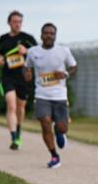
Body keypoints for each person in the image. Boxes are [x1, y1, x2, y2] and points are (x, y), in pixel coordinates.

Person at [23, 23, 77, 169]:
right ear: (41, 35)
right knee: (45, 122)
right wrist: (26, 73)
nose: (49, 36)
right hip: (41, 95)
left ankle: (60, 133)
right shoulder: (33, 52)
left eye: (52, 33)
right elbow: (27, 67)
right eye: (46, 33)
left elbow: (73, 67)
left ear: (55, 36)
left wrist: (65, 74)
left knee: (61, 127)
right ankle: (54, 155)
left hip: (59, 95)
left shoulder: (63, 51)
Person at [0, 11, 37, 150]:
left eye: (19, 21)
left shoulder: (27, 38)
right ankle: (13, 138)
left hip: (24, 77)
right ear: (9, 23)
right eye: (15, 21)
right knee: (11, 105)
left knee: (20, 107)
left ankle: (18, 131)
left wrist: (26, 51)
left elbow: (39, 53)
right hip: (8, 76)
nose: (17, 24)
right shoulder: (3, 39)